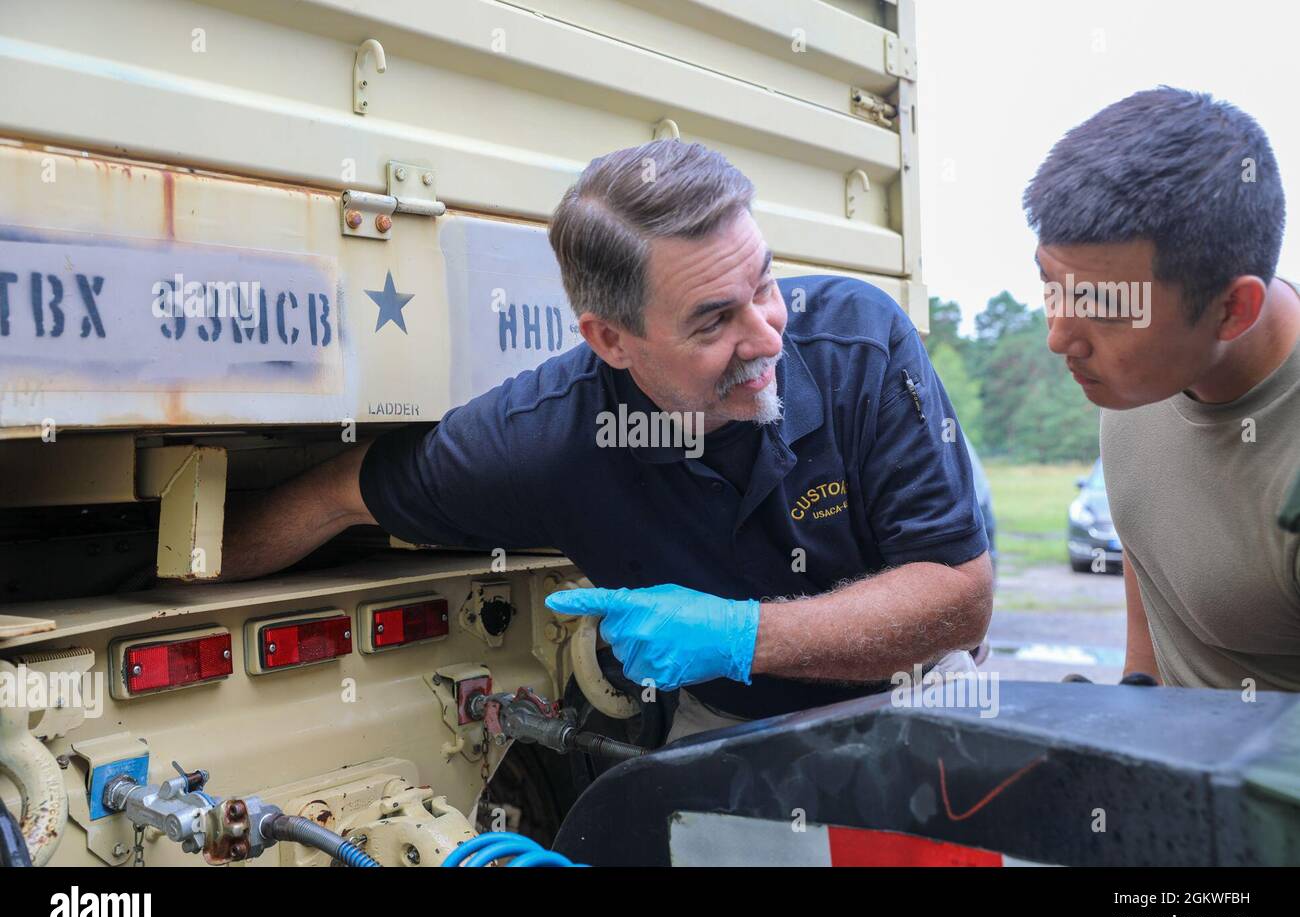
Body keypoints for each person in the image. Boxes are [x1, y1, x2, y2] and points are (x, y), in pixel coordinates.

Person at [222, 139, 993, 738]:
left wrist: (739, 634)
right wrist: (174, 575)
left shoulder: (863, 345)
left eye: (764, 284)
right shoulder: (545, 438)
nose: (766, 339)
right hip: (728, 726)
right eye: (714, 319)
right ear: (612, 341)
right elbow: (334, 495)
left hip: (916, 694)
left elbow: (959, 599)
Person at [1024, 87, 1300, 691]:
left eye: (1102, 305)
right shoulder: (1137, 379)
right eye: (1050, 283)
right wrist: (1137, 698)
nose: (1060, 335)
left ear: (1232, 309)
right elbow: (1149, 550)